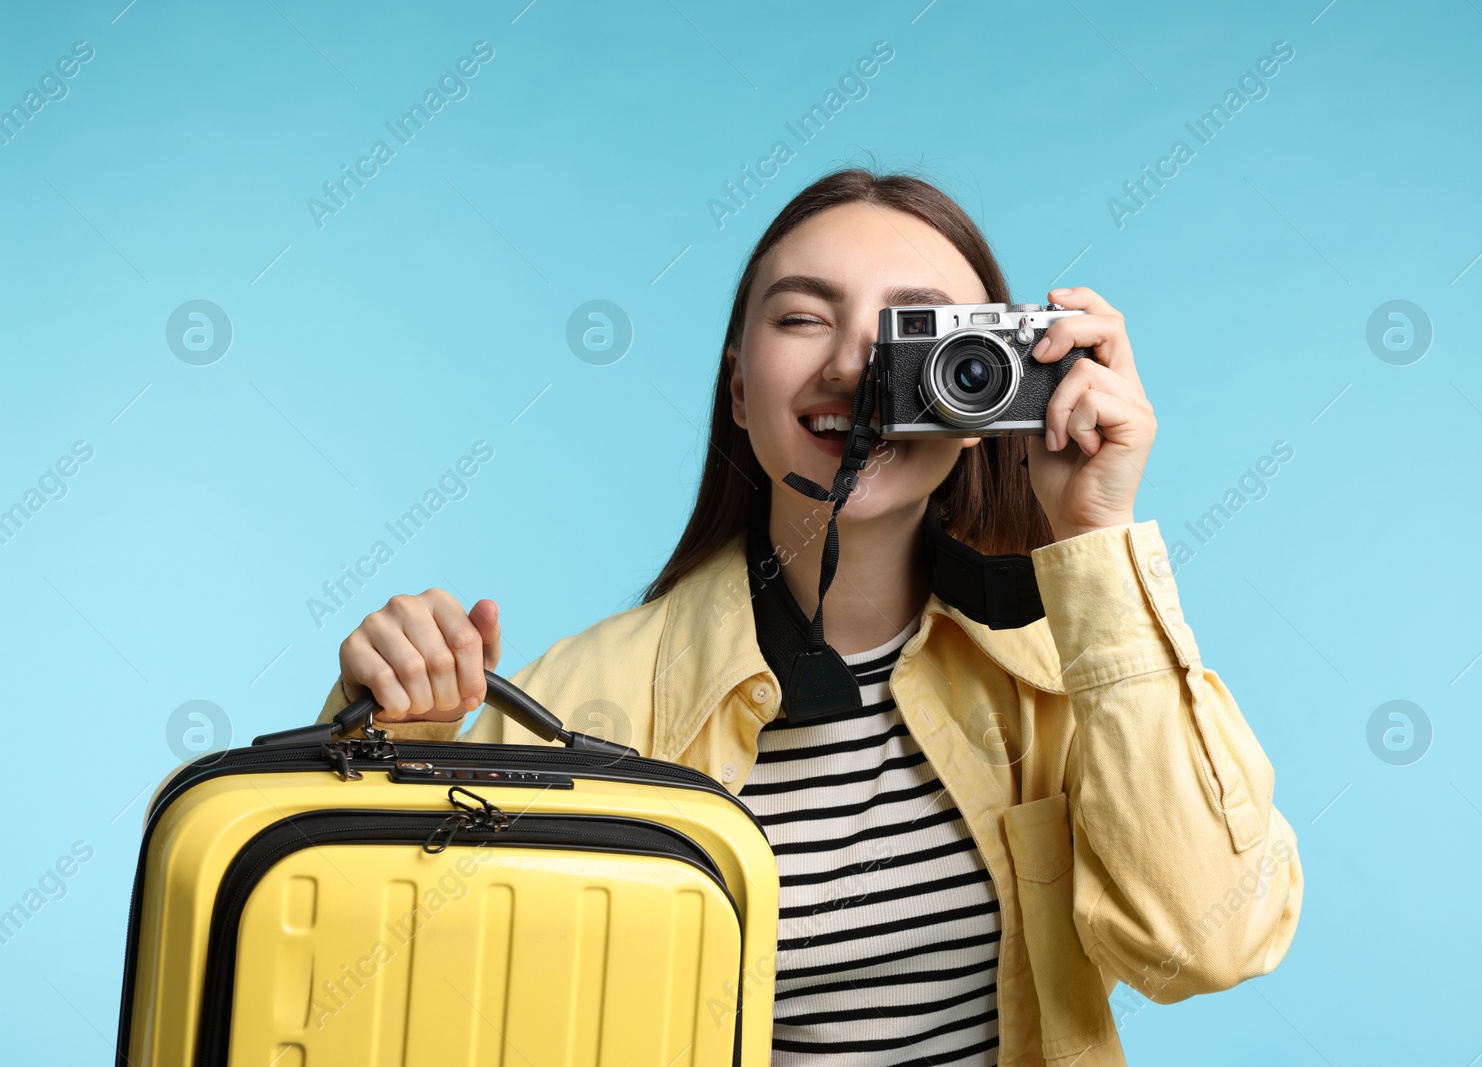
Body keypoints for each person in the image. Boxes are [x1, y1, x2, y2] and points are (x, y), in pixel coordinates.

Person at [318, 167, 1303, 1066]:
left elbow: (1204, 943)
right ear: (740, 389)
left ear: (990, 393)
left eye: (919, 332)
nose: (857, 367)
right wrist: (388, 748)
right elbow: (382, 1000)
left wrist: (1096, 539)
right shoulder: (578, 698)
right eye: (802, 319)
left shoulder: (1068, 670)